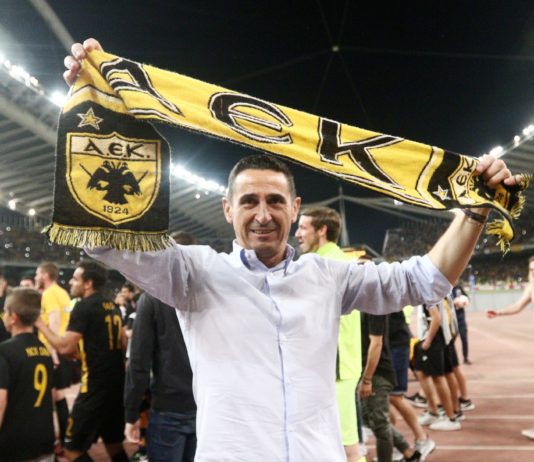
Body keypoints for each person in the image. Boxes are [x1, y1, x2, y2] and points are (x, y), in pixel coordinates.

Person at [64, 38, 518, 461]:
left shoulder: (329, 276)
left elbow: (423, 280)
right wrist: (95, 108)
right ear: (228, 209)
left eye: (275, 201)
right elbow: (101, 236)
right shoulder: (194, 274)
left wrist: (474, 211)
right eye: (249, 201)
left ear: (296, 208)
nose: (263, 214)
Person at [36, 261, 128, 462]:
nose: (71, 282)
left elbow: (64, 347)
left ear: (88, 283)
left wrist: (39, 323)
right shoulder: (112, 305)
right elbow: (123, 342)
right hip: (116, 386)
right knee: (113, 445)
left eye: (75, 278)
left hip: (94, 387)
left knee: (71, 449)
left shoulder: (84, 307)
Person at [295, 206, 364, 462]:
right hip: (340, 366)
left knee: (347, 448)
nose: (297, 234)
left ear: (322, 230)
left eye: (303, 227)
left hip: (334, 370)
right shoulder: (340, 259)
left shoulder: (320, 264)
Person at [124, 230, 197, 462]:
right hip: (206, 405)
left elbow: (139, 361)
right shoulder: (211, 296)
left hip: (169, 407)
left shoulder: (152, 299)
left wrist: (131, 413)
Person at [0, 288, 55, 462]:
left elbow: (0, 401)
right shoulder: (43, 349)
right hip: (44, 439)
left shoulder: (5, 351)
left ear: (13, 317)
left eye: (5, 311)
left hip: (15, 445)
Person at [487, 255, 534, 440]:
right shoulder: (531, 288)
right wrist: (499, 312)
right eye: (531, 270)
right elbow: (518, 306)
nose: (532, 273)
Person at [35, 261, 73, 450]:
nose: (36, 277)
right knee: (58, 396)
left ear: (45, 275)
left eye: (37, 274)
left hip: (51, 350)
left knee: (45, 397)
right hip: (61, 348)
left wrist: (52, 351)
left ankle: (49, 440)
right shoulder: (62, 293)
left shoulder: (49, 294)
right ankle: (64, 438)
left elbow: (55, 321)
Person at [452, 283, 471, 364]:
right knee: (450, 341)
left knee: (464, 338)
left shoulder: (459, 288)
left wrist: (464, 303)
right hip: (451, 319)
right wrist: (454, 303)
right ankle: (451, 359)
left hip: (461, 319)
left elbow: (467, 299)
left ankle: (465, 358)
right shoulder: (446, 288)